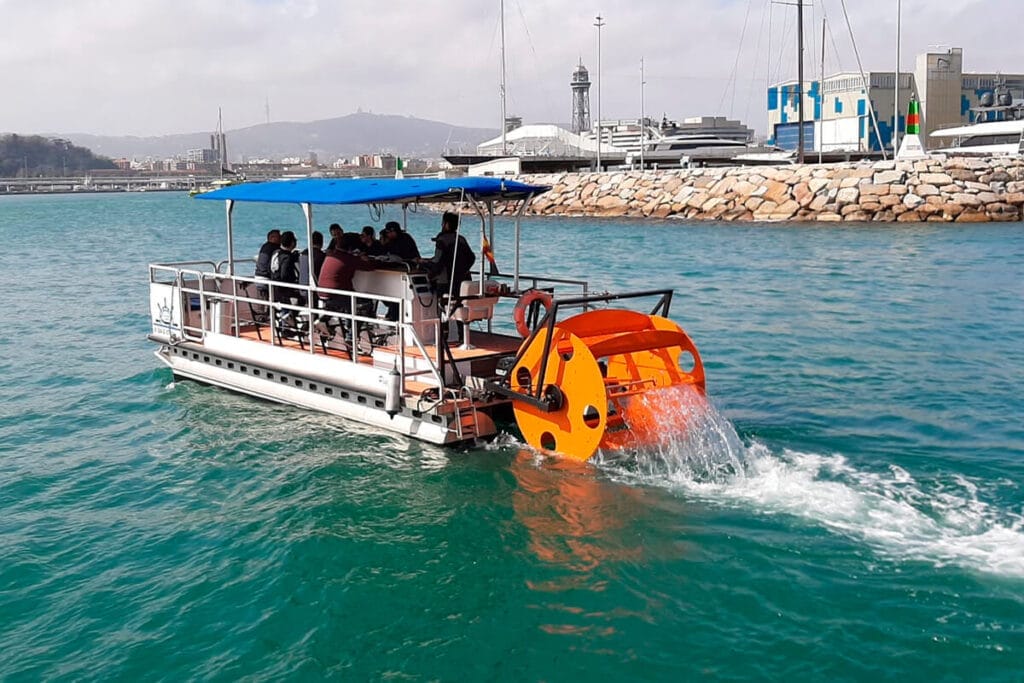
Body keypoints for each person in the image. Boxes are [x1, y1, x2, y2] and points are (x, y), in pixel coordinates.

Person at [420, 211, 476, 296]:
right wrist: (463, 271)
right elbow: (472, 258)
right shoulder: (461, 239)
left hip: (446, 282)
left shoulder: (442, 240)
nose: (442, 225)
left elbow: (438, 263)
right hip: (462, 280)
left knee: (443, 305)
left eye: (443, 223)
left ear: (446, 224)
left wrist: (424, 263)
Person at [269, 230, 303, 305]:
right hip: (284, 291)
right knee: (303, 298)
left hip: (274, 288)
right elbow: (284, 275)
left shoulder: (275, 253)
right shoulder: (287, 258)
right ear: (292, 243)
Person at [254, 229, 281, 296]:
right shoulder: (275, 248)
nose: (281, 239)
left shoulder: (264, 246)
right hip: (266, 278)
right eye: (279, 237)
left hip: (258, 277)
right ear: (272, 238)